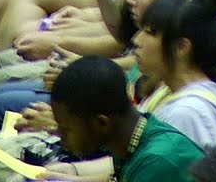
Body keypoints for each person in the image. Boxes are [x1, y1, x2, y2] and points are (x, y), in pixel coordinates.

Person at [52, 54, 205, 182]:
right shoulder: (130, 141)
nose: (59, 134)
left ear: (101, 122)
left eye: (66, 128)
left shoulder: (157, 162)